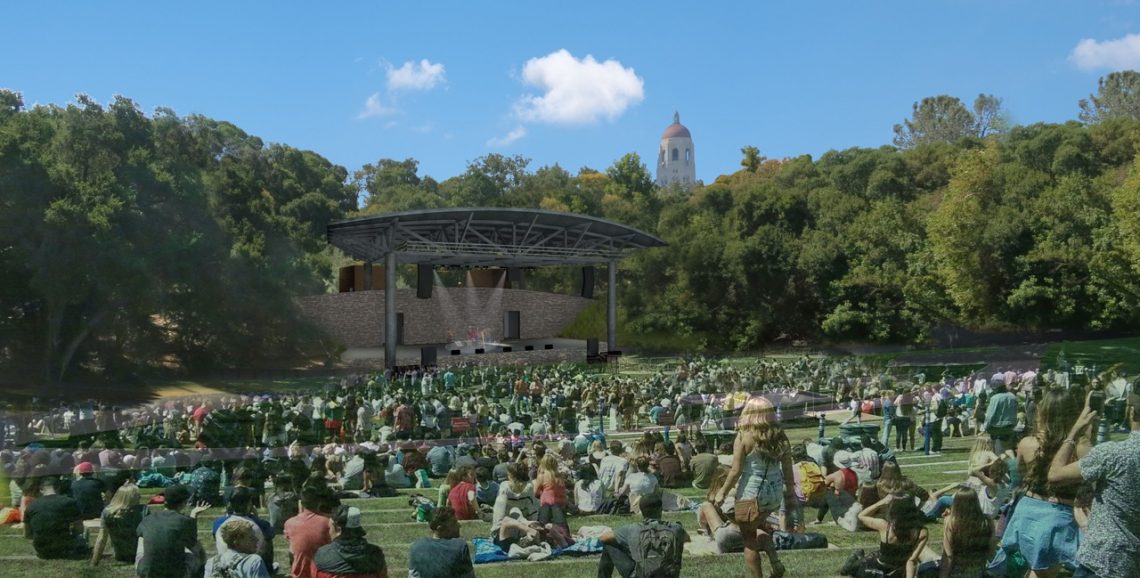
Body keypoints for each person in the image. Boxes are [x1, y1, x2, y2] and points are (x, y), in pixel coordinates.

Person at [989, 387, 1087, 578]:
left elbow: (1021, 473)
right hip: (1058, 516)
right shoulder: (1083, 448)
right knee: (1043, 572)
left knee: (1035, 569)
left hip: (1027, 510)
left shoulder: (1027, 443)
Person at [1046, 391, 1140, 578]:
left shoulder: (1113, 454)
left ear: (1130, 412)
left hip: (1104, 559)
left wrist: (1075, 431)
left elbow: (1055, 474)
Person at [712, 396, 794, 578]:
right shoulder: (780, 435)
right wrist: (791, 495)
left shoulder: (744, 435)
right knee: (758, 525)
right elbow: (788, 470)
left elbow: (735, 471)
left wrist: (722, 492)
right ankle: (775, 562)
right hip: (774, 493)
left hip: (752, 492)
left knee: (748, 540)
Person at [598, 491, 689, 578]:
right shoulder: (676, 528)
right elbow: (687, 539)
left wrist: (629, 547)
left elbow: (603, 537)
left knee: (608, 543)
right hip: (669, 575)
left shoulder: (633, 529)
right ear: (661, 509)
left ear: (641, 510)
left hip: (641, 575)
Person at [840, 493, 928, 578]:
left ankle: (855, 561)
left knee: (867, 560)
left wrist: (882, 502)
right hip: (896, 573)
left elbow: (861, 516)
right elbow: (911, 561)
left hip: (874, 571)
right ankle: (857, 560)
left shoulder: (884, 526)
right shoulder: (921, 532)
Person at [137, 484, 210, 578]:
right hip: (175, 574)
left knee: (142, 540)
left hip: (146, 572)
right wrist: (193, 515)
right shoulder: (184, 521)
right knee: (198, 552)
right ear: (184, 503)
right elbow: (192, 544)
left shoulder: (148, 519)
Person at [22, 476, 88, 560]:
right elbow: (79, 529)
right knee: (83, 536)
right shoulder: (69, 502)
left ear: (41, 490)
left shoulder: (31, 506)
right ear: (58, 488)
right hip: (64, 547)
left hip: (41, 549)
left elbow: (26, 534)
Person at [312, 505, 388, 578]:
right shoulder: (375, 554)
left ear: (338, 529)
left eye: (329, 528)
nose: (329, 531)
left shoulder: (323, 554)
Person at [938, 487, 993, 578]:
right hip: (978, 572)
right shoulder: (987, 521)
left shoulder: (950, 522)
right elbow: (991, 551)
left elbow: (948, 555)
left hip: (957, 572)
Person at [408, 506, 475, 578]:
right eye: (454, 523)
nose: (459, 525)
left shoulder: (417, 547)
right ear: (440, 528)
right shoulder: (460, 547)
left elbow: (413, 576)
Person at [285, 485, 334, 578]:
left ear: (301, 503)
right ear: (319, 502)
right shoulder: (328, 522)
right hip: (322, 573)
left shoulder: (289, 523)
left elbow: (293, 549)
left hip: (299, 574)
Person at [95, 481, 149, 564]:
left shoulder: (108, 512)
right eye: (137, 495)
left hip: (120, 555)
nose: (140, 497)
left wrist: (94, 561)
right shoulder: (143, 511)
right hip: (141, 554)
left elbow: (101, 539)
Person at [204, 518, 270, 578]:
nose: (256, 540)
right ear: (237, 541)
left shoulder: (211, 562)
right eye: (251, 538)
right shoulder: (254, 561)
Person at [984, 382, 1019, 455]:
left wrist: (985, 427)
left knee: (999, 452)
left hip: (997, 429)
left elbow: (990, 415)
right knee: (1010, 450)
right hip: (1010, 427)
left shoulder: (995, 398)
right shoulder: (1012, 396)